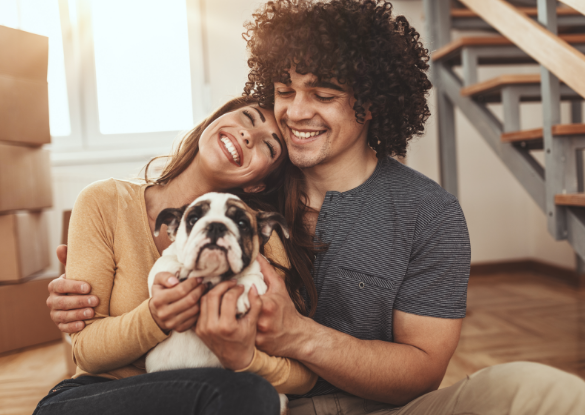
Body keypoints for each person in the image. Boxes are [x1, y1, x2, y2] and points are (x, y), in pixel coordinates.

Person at [48, 1, 585, 414]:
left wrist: (296, 335)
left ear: (370, 104)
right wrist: (79, 290)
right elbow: (149, 255)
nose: (294, 112)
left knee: (537, 391)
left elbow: (422, 372)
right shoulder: (245, 196)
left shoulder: (428, 212)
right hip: (238, 399)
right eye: (285, 90)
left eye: (323, 95)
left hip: (368, 407)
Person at [36, 95, 320, 415]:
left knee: (251, 396)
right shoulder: (104, 201)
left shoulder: (259, 243)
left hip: (217, 394)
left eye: (268, 147)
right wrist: (155, 318)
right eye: (247, 119)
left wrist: (245, 358)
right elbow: (86, 352)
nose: (247, 136)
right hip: (99, 395)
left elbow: (303, 374)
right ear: (215, 120)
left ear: (259, 184)